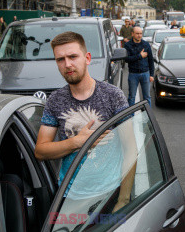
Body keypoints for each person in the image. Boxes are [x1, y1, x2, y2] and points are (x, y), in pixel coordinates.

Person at [34, 31, 136, 212]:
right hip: (70, 196)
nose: (67, 64)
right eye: (60, 59)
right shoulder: (55, 101)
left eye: (73, 56)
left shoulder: (113, 95)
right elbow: (41, 151)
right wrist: (76, 142)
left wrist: (124, 200)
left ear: (87, 58)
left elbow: (130, 149)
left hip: (110, 193)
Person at [124, 26, 154, 106]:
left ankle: (148, 117)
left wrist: (151, 74)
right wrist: (139, 56)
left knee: (147, 97)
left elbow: (151, 60)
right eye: (137, 33)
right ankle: (131, 117)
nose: (139, 35)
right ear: (132, 34)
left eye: (140, 33)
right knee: (131, 97)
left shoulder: (146, 44)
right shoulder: (127, 45)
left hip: (145, 73)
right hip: (133, 74)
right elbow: (126, 59)